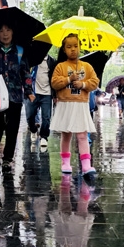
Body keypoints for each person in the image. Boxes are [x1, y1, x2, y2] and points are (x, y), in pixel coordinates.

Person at [0, 23, 34, 168]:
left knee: (13, 128)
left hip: (15, 96)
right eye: (1, 30)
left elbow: (26, 73)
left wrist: (29, 92)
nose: (5, 33)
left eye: (8, 30)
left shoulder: (20, 51)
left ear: (13, 32)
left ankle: (8, 158)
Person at [50, 33, 99, 177]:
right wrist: (69, 79)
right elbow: (55, 83)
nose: (73, 49)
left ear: (80, 48)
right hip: (66, 104)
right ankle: (65, 162)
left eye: (76, 46)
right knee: (66, 135)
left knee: (82, 135)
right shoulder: (60, 66)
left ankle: (86, 166)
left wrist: (83, 84)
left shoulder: (87, 66)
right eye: (69, 46)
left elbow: (95, 82)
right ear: (64, 49)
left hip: (81, 105)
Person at [25, 54, 56, 148]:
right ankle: (33, 130)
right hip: (33, 92)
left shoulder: (52, 62)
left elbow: (54, 78)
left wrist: (55, 95)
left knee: (46, 117)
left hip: (47, 93)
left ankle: (44, 137)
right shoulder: (33, 59)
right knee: (30, 115)